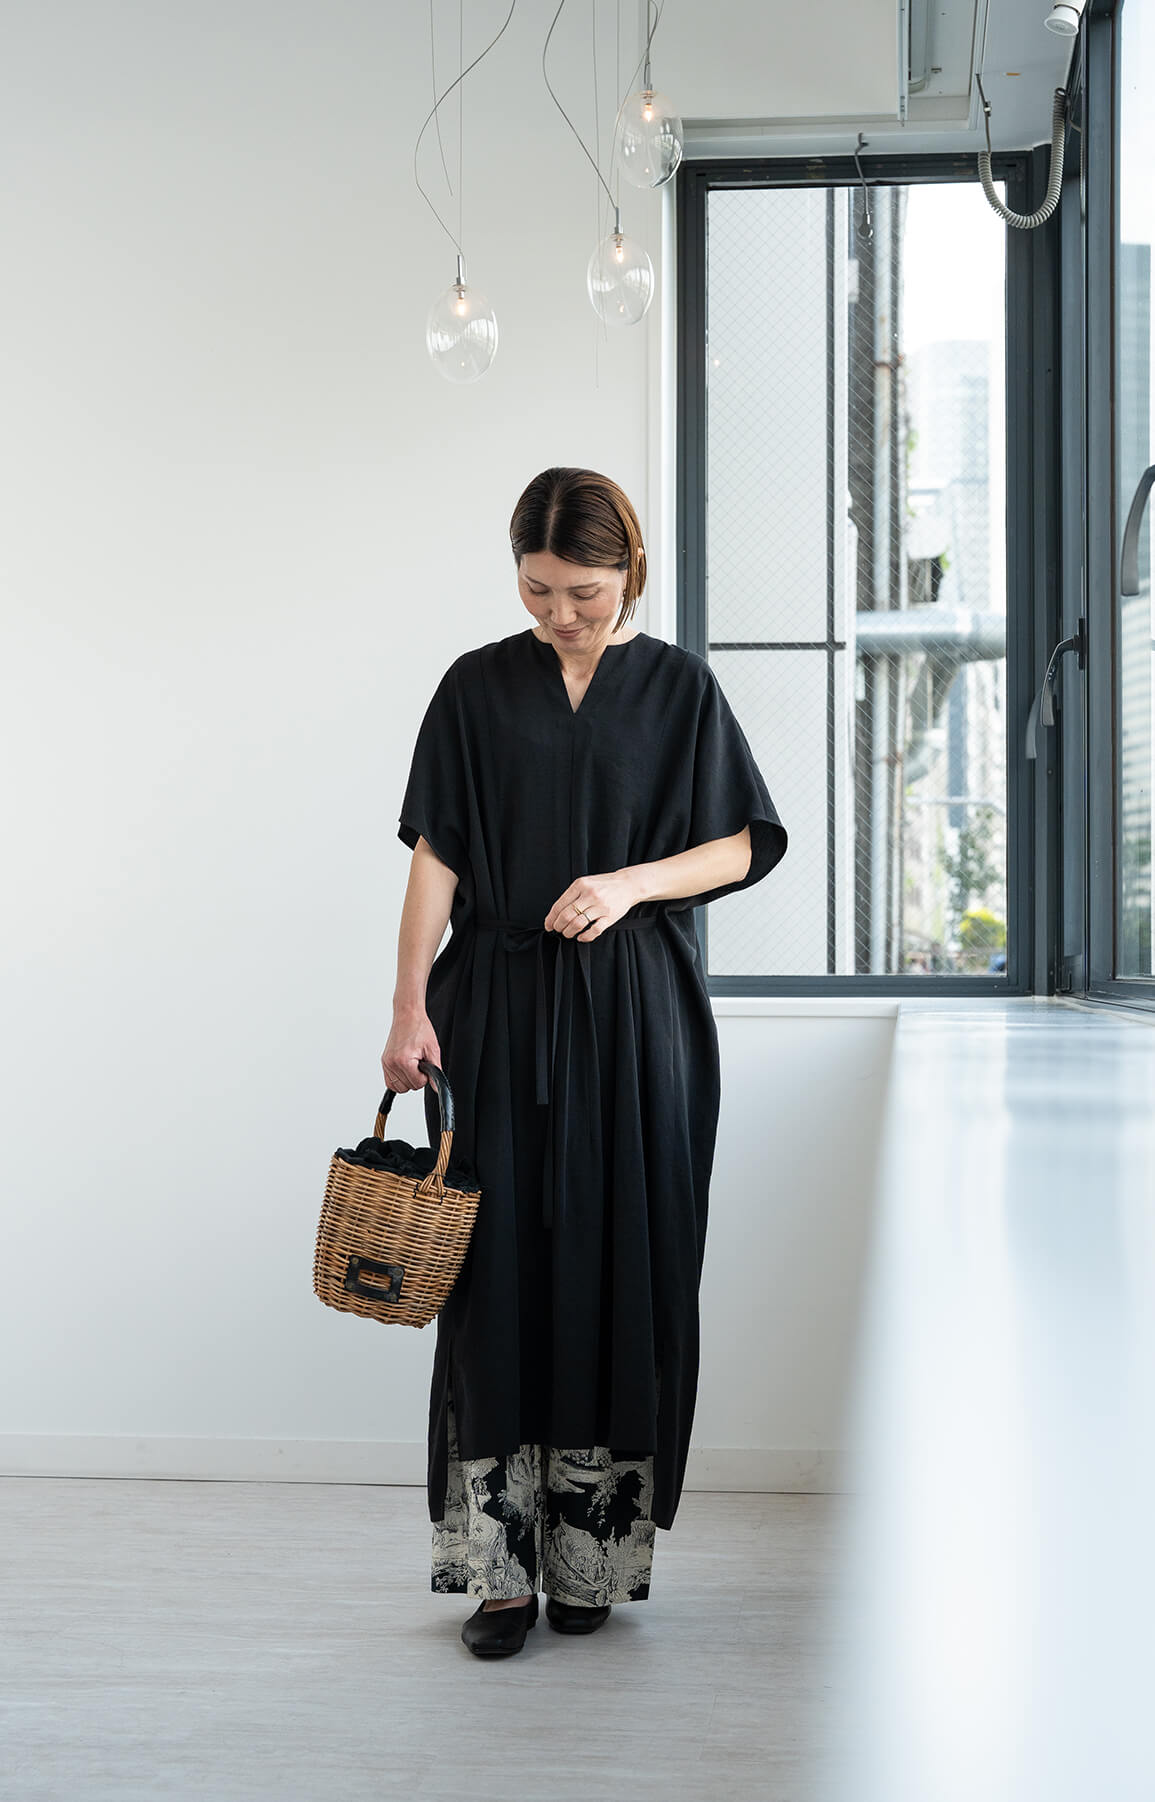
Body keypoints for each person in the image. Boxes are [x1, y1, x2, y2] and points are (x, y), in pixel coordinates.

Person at [381, 466, 788, 1657]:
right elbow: (437, 854)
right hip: (495, 1010)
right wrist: (407, 1005)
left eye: (586, 592)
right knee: (491, 1278)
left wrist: (628, 882)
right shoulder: (474, 687)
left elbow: (740, 842)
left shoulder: (678, 687)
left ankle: (591, 1558)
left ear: (630, 573)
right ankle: (501, 1573)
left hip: (636, 1017)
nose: (562, 612)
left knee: (623, 1266)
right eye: (539, 588)